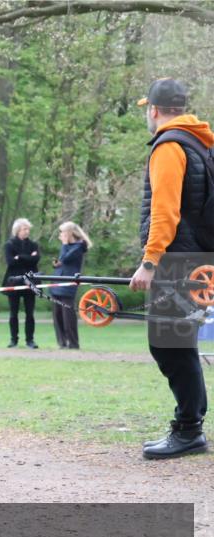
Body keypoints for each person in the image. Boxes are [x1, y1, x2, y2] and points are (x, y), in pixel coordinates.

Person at [130, 78, 212, 460]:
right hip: (197, 258)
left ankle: (189, 430)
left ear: (156, 110)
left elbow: (165, 210)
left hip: (176, 259)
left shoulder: (169, 146)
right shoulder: (200, 143)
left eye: (148, 108)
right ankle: (189, 426)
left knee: (169, 344)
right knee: (179, 344)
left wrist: (150, 261)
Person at [49, 222, 92, 349]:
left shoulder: (79, 246)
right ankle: (61, 342)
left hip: (68, 284)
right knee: (57, 315)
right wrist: (56, 263)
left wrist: (64, 245)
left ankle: (73, 343)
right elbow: (60, 261)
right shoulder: (67, 246)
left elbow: (65, 259)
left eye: (62, 232)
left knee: (68, 315)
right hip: (57, 282)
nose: (60, 235)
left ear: (69, 233)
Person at [2, 218, 41, 349]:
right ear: (18, 230)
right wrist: (28, 257)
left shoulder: (34, 245)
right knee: (14, 313)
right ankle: (14, 340)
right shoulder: (9, 244)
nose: (27, 231)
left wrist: (20, 257)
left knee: (30, 313)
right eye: (25, 229)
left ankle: (30, 340)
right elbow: (11, 262)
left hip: (30, 281)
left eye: (28, 229)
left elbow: (35, 260)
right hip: (14, 281)